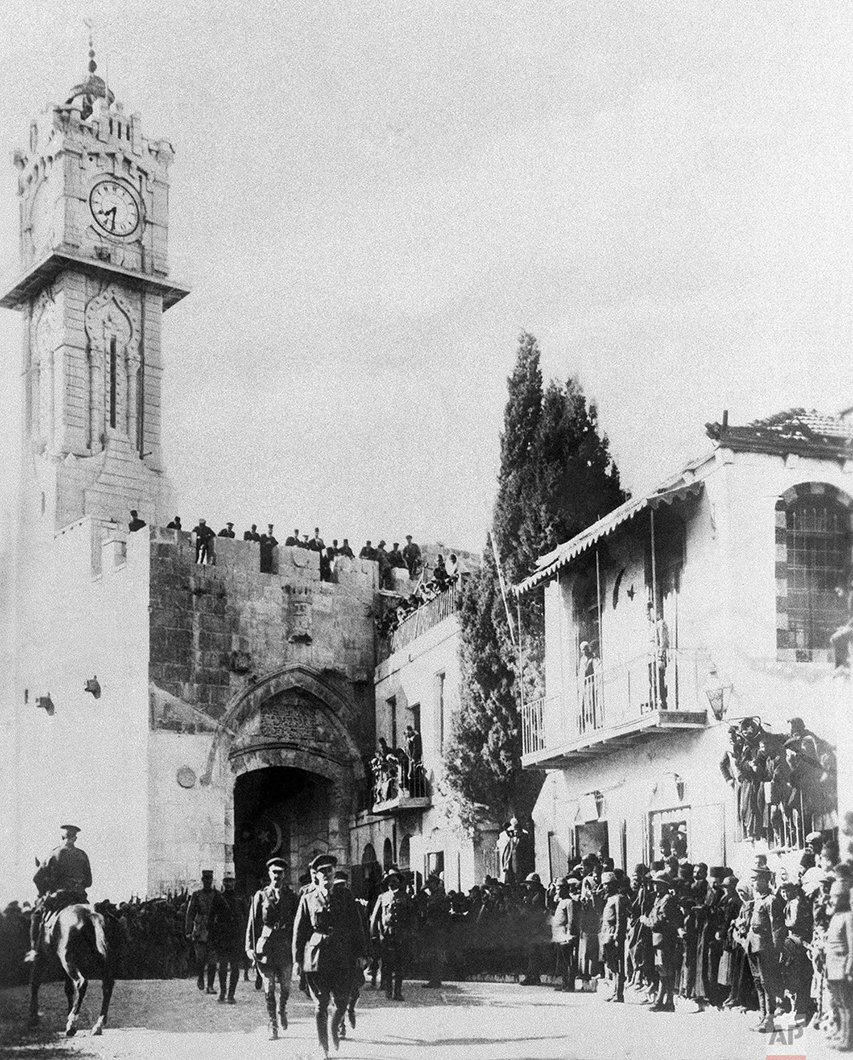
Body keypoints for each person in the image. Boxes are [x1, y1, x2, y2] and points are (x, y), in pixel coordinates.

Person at [293, 854, 367, 1059]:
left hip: (343, 956)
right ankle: (323, 1045)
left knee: (342, 1001)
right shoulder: (307, 899)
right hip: (317, 958)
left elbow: (357, 926)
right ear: (315, 876)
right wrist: (297, 960)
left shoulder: (346, 896)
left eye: (329, 870)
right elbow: (299, 932)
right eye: (322, 871)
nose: (326, 874)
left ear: (334, 873)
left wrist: (362, 953)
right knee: (320, 1003)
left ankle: (334, 1027)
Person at [246, 857, 299, 1040]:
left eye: (280, 872)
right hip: (266, 947)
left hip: (285, 946)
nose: (277, 875)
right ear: (269, 874)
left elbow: (298, 924)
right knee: (268, 989)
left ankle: (282, 1009)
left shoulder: (292, 897)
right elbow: (252, 924)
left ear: (285, 874)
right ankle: (272, 1023)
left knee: (285, 988)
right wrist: (249, 947)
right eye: (274, 872)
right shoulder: (260, 896)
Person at [26, 824, 92, 962]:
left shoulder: (54, 853)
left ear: (62, 837)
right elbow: (89, 882)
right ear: (75, 838)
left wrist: (43, 893)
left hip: (59, 897)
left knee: (37, 915)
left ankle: (35, 950)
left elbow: (36, 878)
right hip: (79, 898)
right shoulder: (82, 855)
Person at [744, 862, 786, 1033]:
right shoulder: (757, 900)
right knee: (758, 982)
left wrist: (777, 950)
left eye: (755, 880)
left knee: (766, 982)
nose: (753, 883)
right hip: (753, 944)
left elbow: (776, 927)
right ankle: (762, 1016)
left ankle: (770, 1018)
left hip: (765, 946)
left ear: (764, 880)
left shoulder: (771, 900)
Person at [370, 867, 413, 1000]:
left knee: (399, 965)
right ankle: (388, 990)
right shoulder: (382, 897)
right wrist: (374, 935)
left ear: (399, 883)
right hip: (386, 936)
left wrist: (410, 933)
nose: (391, 884)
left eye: (394, 881)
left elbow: (412, 917)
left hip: (400, 935)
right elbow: (375, 917)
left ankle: (398, 992)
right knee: (387, 964)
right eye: (389, 882)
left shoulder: (405, 897)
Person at [185, 870, 225, 993]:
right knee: (200, 958)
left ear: (212, 880)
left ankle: (210, 985)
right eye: (205, 879)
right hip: (200, 930)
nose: (207, 881)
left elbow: (224, 912)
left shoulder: (217, 895)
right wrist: (188, 930)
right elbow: (190, 913)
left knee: (213, 959)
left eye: (209, 879)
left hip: (213, 929)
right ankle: (201, 977)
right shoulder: (196, 895)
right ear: (202, 881)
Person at [211, 873, 247, 1004]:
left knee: (235, 967)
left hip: (236, 937)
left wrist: (244, 937)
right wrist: (213, 936)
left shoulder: (240, 898)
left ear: (235, 882)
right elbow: (211, 917)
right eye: (226, 881)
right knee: (222, 966)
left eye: (231, 881)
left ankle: (231, 994)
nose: (228, 884)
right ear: (223, 882)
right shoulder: (218, 898)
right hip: (223, 937)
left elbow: (246, 917)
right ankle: (222, 991)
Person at [825, 880, 853, 1049]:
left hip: (842, 965)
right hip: (832, 965)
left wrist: (849, 967)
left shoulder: (848, 917)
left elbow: (851, 944)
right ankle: (841, 1033)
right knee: (839, 1003)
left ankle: (848, 1039)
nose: (832, 900)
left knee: (847, 1004)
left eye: (835, 897)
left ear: (843, 898)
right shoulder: (835, 916)